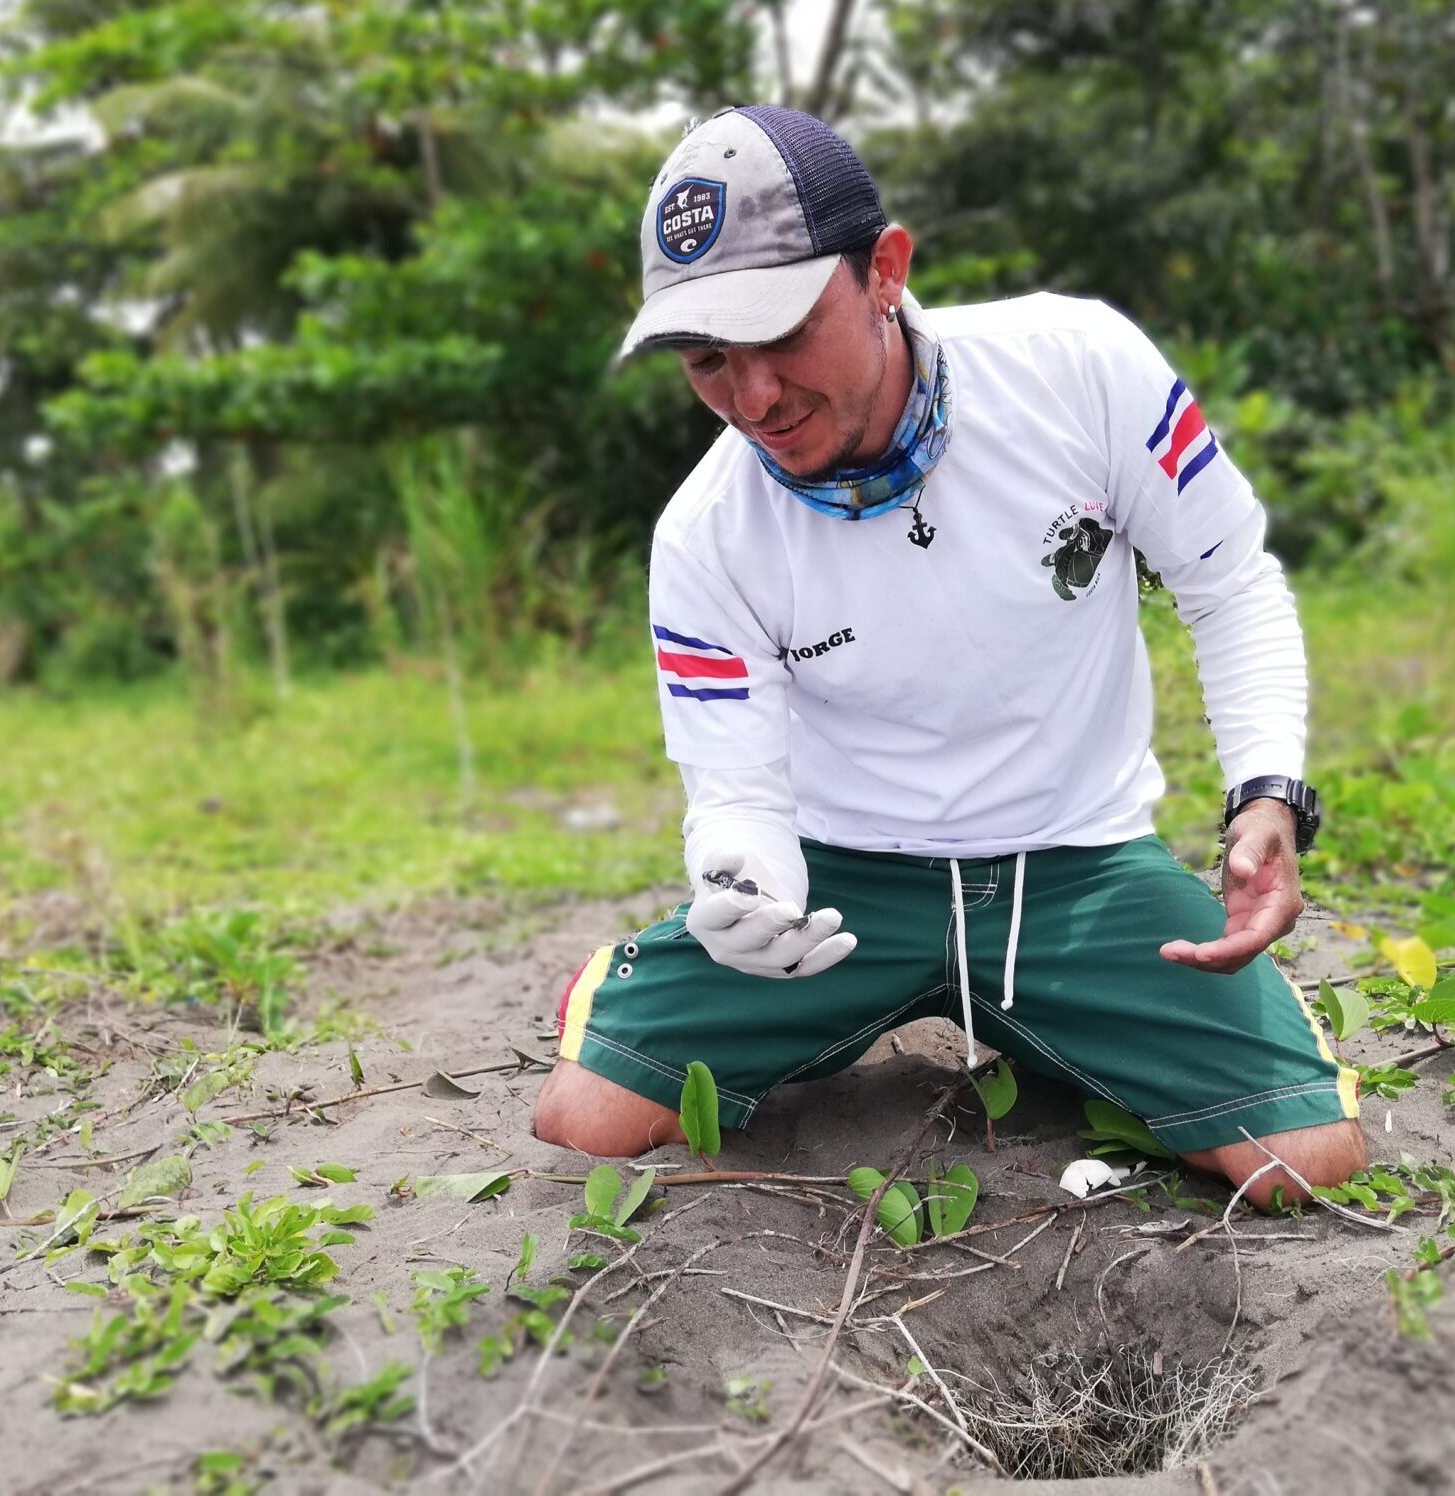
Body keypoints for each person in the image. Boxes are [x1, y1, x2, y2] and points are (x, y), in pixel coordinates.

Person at [531, 105, 1365, 1205]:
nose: (755, 399)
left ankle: (1041, 1016)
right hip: (846, 885)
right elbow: (735, 791)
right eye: (707, 360)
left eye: (783, 334)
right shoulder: (705, 535)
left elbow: (1231, 582)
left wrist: (1266, 796)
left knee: (1301, 1162)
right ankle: (664, 989)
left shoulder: (1080, 370)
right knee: (587, 1119)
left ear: (884, 270)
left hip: (1076, 863)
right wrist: (745, 886)